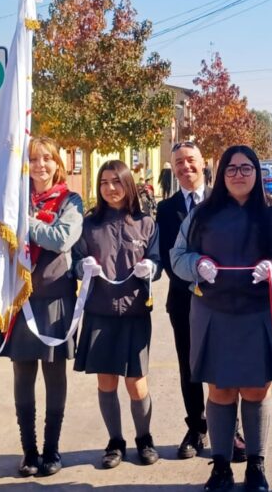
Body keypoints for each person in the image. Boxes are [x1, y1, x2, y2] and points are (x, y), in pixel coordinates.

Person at [172, 145, 272, 492]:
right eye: (231, 169)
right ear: (221, 174)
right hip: (214, 313)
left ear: (257, 173)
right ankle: (220, 466)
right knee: (219, 389)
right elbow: (178, 255)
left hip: (259, 313)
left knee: (256, 389)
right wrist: (195, 266)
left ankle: (256, 466)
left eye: (246, 168)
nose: (238, 174)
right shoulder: (202, 215)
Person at [0, 136, 84, 477]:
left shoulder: (70, 200)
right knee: (23, 374)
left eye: (47, 159)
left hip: (56, 298)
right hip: (20, 297)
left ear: (58, 164)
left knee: (54, 374)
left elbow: (61, 239)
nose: (41, 165)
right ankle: (29, 451)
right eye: (33, 159)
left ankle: (52, 450)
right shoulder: (14, 198)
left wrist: (19, 222)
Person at [157, 141, 247, 461]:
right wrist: (194, 278)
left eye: (191, 160)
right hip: (183, 300)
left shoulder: (222, 202)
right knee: (190, 366)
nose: (186, 167)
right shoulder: (165, 210)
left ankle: (231, 429)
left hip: (223, 301)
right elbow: (169, 257)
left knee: (224, 365)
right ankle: (196, 427)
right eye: (179, 162)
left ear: (204, 164)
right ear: (174, 168)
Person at [73, 160, 162, 468]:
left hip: (136, 312)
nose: (110, 188)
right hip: (100, 312)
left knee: (136, 382)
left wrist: (151, 267)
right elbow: (74, 261)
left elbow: (158, 261)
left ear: (128, 184)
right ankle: (115, 442)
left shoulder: (146, 222)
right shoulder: (90, 224)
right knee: (106, 381)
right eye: (104, 182)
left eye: (116, 181)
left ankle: (144, 438)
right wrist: (82, 267)